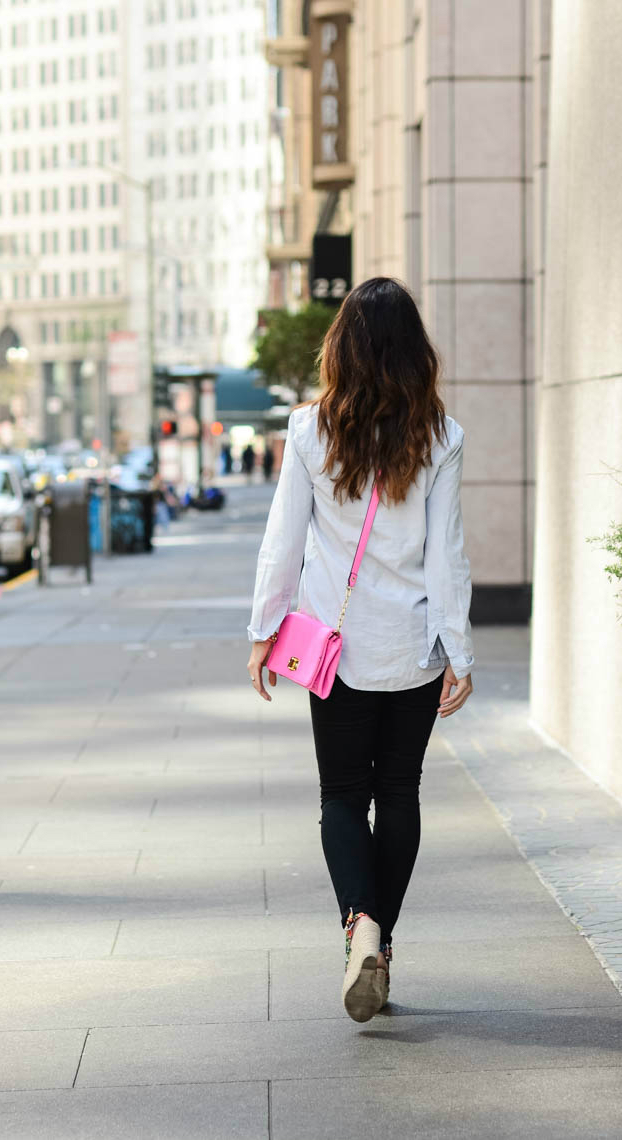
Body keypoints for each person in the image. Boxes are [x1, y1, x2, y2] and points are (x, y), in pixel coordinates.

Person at [247, 277, 474, 1023]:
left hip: (332, 650)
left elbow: (283, 540)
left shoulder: (311, 431)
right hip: (409, 646)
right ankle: (379, 944)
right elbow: (447, 556)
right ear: (415, 352)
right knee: (399, 793)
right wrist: (460, 651)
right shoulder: (441, 436)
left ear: (341, 347)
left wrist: (263, 631)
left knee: (342, 796)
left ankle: (360, 927)